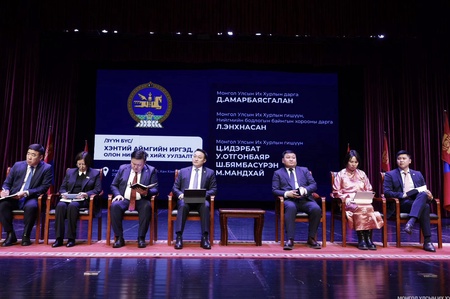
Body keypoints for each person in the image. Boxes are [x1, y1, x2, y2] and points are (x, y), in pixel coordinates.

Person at [383, 150, 436, 252]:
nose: (401, 161)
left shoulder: (418, 174)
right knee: (425, 207)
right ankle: (428, 241)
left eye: (404, 158)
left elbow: (423, 191)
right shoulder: (390, 174)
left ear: (410, 161)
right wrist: (403, 195)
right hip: (401, 203)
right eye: (399, 159)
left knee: (425, 200)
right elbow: (387, 192)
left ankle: (411, 222)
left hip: (416, 201)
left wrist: (431, 197)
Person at [0, 144, 53, 246]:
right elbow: (7, 183)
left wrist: (26, 192)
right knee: (2, 204)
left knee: (31, 207)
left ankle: (26, 235)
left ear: (41, 157)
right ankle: (10, 234)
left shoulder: (46, 168)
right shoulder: (18, 165)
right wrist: (5, 190)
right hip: (14, 196)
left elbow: (44, 187)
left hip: (31, 197)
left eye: (33, 155)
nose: (29, 157)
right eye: (28, 154)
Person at [332, 150, 384, 250]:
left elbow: (369, 188)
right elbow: (336, 191)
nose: (353, 164)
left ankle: (368, 239)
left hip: (361, 200)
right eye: (351, 161)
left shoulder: (362, 174)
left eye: (356, 162)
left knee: (369, 207)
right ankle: (361, 239)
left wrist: (366, 195)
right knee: (360, 208)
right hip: (347, 202)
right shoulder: (341, 174)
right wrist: (346, 198)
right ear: (347, 161)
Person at [272, 150, 322, 250]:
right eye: (288, 157)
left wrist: (305, 190)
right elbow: (275, 190)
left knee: (316, 209)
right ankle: (290, 239)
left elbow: (314, 185)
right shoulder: (278, 173)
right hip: (289, 201)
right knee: (290, 207)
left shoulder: (304, 170)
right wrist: (287, 194)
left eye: (293, 157)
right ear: (283, 160)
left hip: (305, 200)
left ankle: (311, 238)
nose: (291, 159)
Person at [52, 151, 102, 248]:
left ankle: (71, 238)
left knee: (72, 206)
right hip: (69, 198)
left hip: (83, 200)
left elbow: (97, 189)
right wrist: (64, 193)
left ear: (88, 163)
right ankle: (59, 238)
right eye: (79, 164)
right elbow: (62, 187)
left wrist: (86, 194)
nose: (81, 166)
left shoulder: (94, 173)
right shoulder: (70, 172)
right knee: (60, 206)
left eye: (83, 164)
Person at [110, 149, 158, 248]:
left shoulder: (151, 170)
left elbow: (155, 189)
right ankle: (119, 238)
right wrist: (118, 194)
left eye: (139, 165)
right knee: (115, 206)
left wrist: (147, 192)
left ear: (144, 162)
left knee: (146, 206)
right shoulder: (123, 168)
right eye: (133, 163)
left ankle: (141, 238)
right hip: (125, 199)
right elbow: (114, 185)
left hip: (141, 199)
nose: (135, 167)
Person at [172, 148, 217, 250]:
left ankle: (205, 238)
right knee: (182, 205)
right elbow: (175, 188)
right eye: (194, 156)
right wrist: (180, 194)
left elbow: (214, 190)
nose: (196, 159)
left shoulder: (210, 173)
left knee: (206, 205)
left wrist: (202, 194)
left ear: (204, 160)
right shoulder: (183, 171)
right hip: (185, 200)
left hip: (201, 200)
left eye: (199, 157)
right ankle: (179, 237)